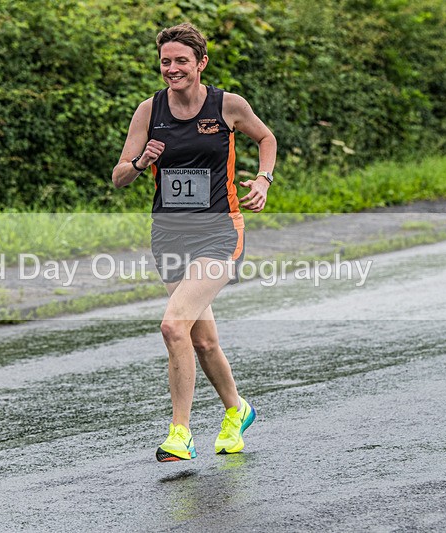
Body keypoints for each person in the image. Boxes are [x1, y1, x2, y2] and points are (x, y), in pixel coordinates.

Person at [112, 23, 277, 461]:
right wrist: (139, 159)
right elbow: (119, 177)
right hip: (169, 236)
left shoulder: (228, 105)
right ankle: (236, 409)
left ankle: (180, 432)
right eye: (165, 61)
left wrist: (263, 179)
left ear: (200, 63)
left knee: (172, 325)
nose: (172, 69)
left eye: (181, 60)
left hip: (219, 232)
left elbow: (266, 138)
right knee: (201, 340)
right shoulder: (149, 110)